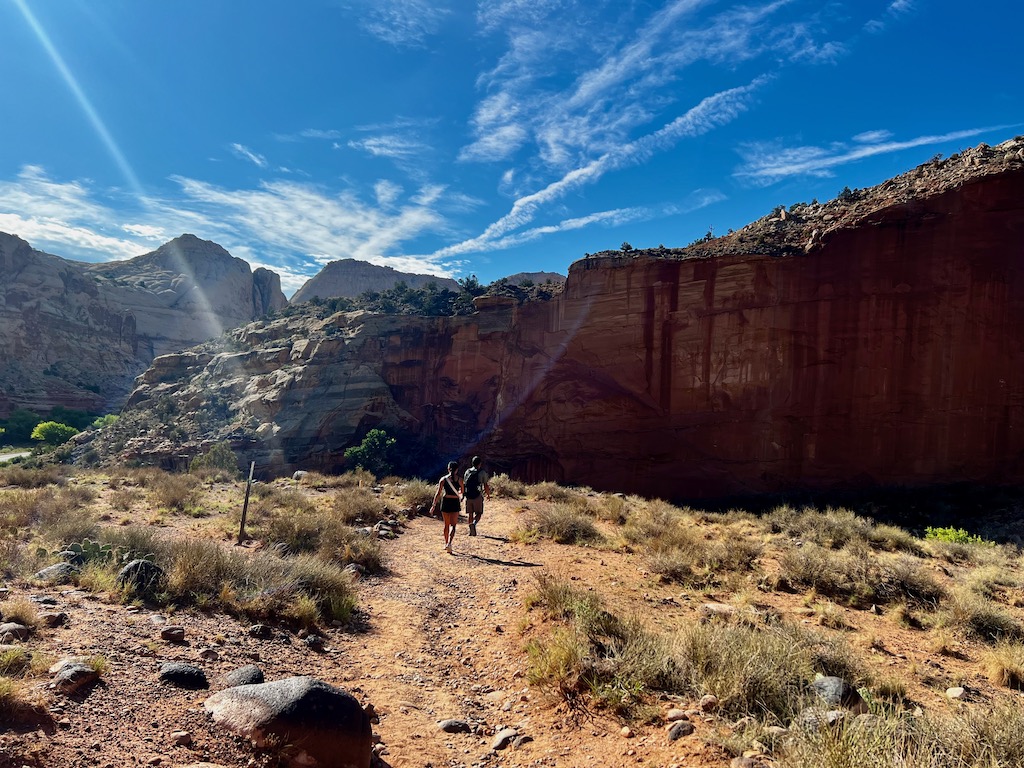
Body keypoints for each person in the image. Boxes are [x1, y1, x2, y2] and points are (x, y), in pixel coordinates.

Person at [431, 460, 463, 554]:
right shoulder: (460, 480)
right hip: (455, 502)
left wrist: (433, 505)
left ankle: (446, 543)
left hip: (446, 501)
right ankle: (450, 543)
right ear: (457, 470)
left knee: (446, 524)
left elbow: (438, 493)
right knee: (453, 525)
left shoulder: (443, 479)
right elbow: (462, 492)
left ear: (448, 469)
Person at [462, 455, 491, 536]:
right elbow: (485, 485)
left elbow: (464, 484)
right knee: (479, 513)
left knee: (470, 513)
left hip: (468, 496)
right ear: (480, 464)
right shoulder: (482, 472)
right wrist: (488, 495)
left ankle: (471, 530)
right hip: (477, 495)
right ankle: (474, 524)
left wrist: (463, 495)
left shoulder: (467, 472)